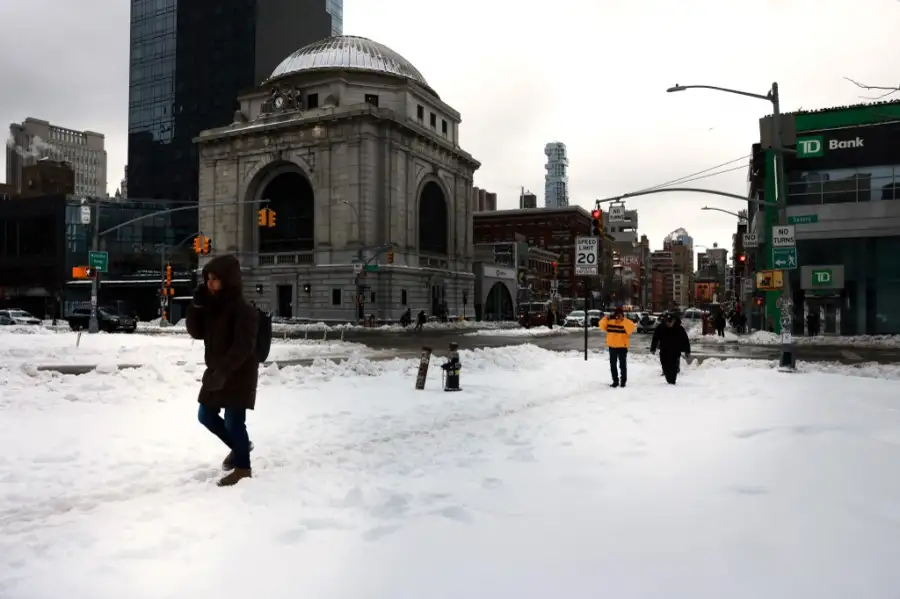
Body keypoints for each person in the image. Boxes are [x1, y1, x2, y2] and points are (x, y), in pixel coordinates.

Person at [186, 254, 260, 487]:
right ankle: (240, 447)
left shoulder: (243, 309)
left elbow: (244, 346)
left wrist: (225, 371)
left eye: (215, 279)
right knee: (205, 415)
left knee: (233, 422)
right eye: (208, 278)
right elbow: (196, 332)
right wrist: (196, 306)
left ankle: (243, 469)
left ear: (228, 280)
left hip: (239, 373)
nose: (210, 283)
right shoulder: (212, 306)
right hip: (217, 370)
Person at [599, 307, 636, 388]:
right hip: (612, 346)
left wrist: (623, 319)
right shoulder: (610, 321)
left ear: (622, 314)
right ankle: (615, 381)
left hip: (622, 347)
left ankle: (623, 381)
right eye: (616, 314)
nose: (617, 316)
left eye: (619, 314)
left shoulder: (625, 322)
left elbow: (631, 327)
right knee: (613, 365)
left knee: (622, 365)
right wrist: (606, 318)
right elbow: (601, 325)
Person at [651, 313, 691, 384]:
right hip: (664, 350)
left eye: (671, 322)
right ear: (665, 321)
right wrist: (653, 348)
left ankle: (672, 380)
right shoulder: (661, 328)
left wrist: (687, 351)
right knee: (665, 365)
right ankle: (668, 377)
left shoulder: (679, 328)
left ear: (674, 321)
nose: (669, 324)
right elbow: (655, 338)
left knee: (673, 367)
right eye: (667, 323)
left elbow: (685, 339)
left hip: (675, 350)